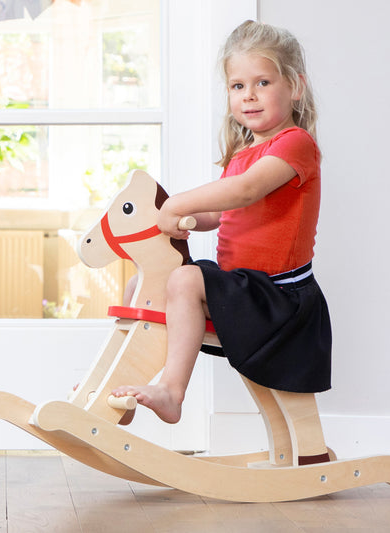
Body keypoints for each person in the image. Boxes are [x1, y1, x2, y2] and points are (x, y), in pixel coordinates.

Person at [112, 20, 331, 424]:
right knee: (141, 284)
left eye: (263, 82)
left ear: (295, 87)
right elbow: (217, 214)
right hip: (243, 289)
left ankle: (172, 391)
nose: (249, 95)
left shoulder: (295, 144)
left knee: (184, 280)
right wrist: (178, 220)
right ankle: (120, 387)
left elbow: (245, 191)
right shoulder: (243, 153)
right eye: (237, 86)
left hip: (278, 298)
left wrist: (176, 203)